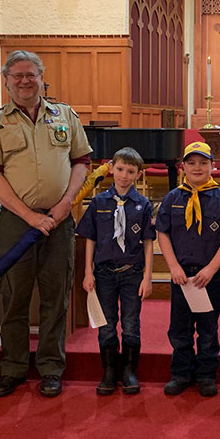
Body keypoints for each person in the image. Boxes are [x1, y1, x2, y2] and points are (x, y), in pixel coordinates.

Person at [0, 50, 91, 398]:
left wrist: (65, 203)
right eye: (17, 76)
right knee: (14, 297)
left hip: (59, 221)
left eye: (31, 75)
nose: (25, 81)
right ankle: (12, 367)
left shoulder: (65, 115)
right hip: (17, 222)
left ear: (42, 78)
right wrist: (29, 217)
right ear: (6, 81)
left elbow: (81, 162)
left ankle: (51, 368)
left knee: (56, 297)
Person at [156, 141, 220, 397]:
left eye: (203, 162)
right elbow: (162, 232)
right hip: (181, 276)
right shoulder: (173, 198)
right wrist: (173, 266)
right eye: (191, 162)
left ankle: (206, 374)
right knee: (179, 329)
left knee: (208, 329)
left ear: (213, 166)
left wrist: (212, 268)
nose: (197, 167)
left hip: (207, 276)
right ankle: (181, 373)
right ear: (182, 166)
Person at [77, 147, 155, 396]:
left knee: (131, 323)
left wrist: (148, 277)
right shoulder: (99, 202)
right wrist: (88, 271)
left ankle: (129, 370)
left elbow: (148, 242)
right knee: (107, 324)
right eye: (120, 169)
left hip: (132, 272)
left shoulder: (143, 204)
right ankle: (109, 371)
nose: (124, 175)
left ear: (138, 174)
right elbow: (90, 238)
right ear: (111, 168)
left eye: (130, 171)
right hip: (104, 273)